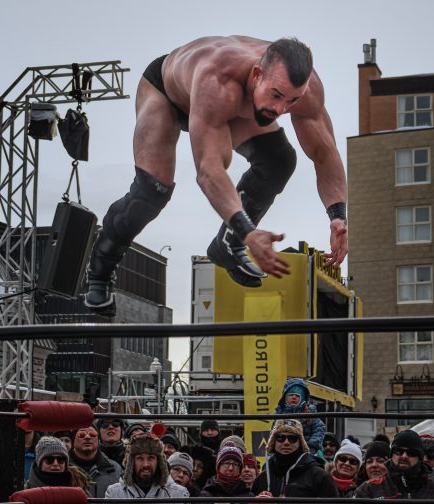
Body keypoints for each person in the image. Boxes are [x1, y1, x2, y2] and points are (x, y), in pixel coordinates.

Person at [84, 36, 348, 315]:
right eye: (276, 95)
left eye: (292, 100)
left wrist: (338, 216)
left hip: (229, 106)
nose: (281, 109)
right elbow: (209, 171)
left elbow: (324, 152)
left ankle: (226, 245)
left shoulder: (308, 90)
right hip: (167, 94)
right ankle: (99, 273)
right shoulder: (219, 80)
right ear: (257, 75)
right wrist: (248, 232)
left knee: (279, 160)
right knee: (151, 192)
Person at [252, 419, 337, 497]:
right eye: (280, 438)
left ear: (300, 443)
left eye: (292, 438)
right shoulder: (262, 478)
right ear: (273, 442)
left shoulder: (319, 477)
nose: (286, 442)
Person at [354, 429, 434, 500]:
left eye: (411, 453)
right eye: (398, 451)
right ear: (391, 454)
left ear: (420, 458)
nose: (404, 456)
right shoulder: (368, 489)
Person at [104, 431, 189, 499]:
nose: (145, 464)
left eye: (151, 458)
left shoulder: (178, 494)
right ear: (131, 462)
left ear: (159, 461)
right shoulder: (114, 493)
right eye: (140, 458)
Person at [274, 378, 326, 453]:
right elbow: (274, 432)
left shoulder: (309, 412)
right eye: (291, 395)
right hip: (285, 447)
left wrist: (312, 445)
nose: (294, 397)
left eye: (297, 396)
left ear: (303, 398)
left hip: (308, 448)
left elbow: (319, 429)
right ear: (284, 397)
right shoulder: (280, 413)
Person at [69, 425, 122, 497]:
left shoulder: (115, 469)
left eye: (92, 434)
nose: (87, 437)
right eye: (81, 434)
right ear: (73, 441)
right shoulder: (63, 467)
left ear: (98, 440)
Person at [25, 436, 89, 492]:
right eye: (49, 460)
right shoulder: (26, 490)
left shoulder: (80, 487)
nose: (55, 463)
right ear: (39, 463)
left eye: (60, 459)